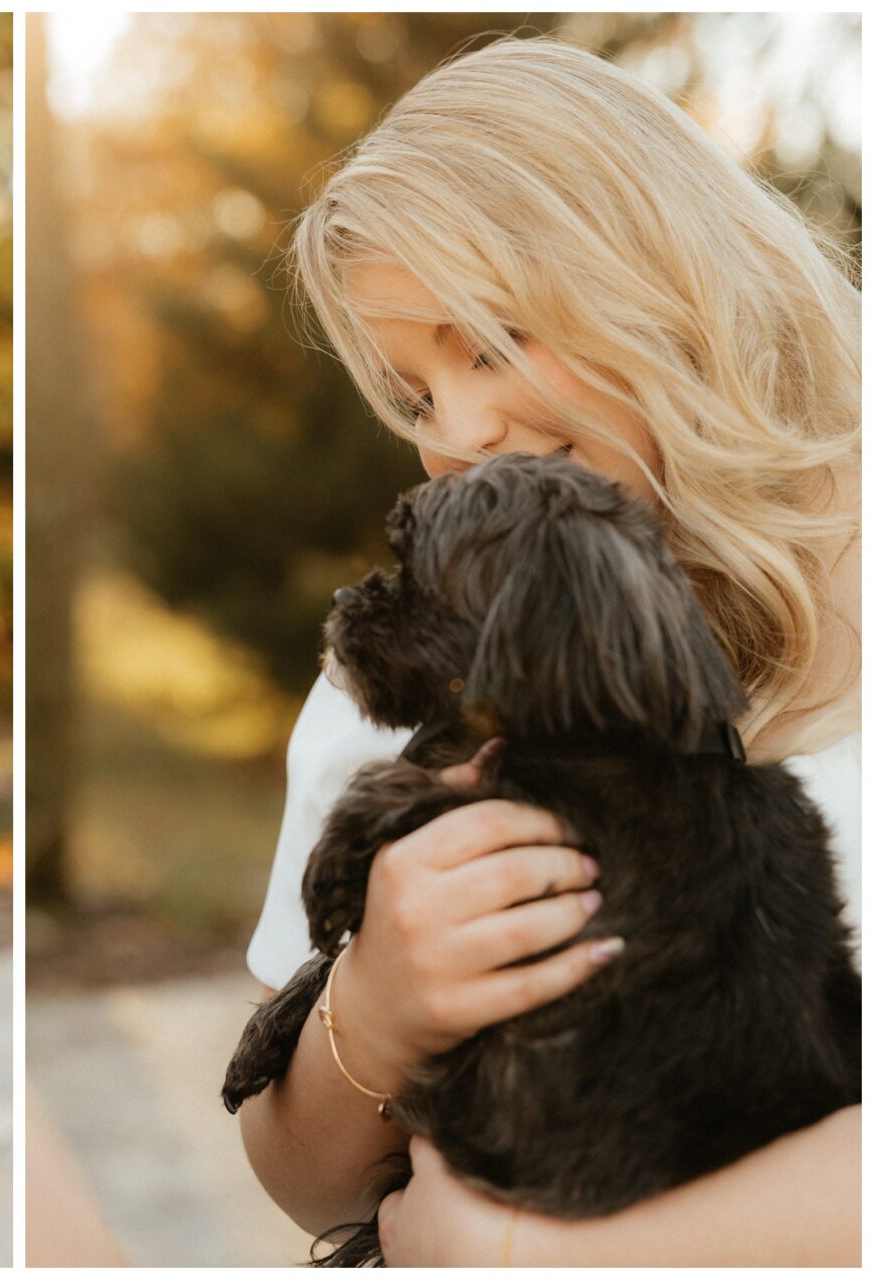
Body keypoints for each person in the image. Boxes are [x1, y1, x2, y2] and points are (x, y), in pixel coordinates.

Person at [236, 37, 860, 1265]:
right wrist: (376, 1005)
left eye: (490, 338)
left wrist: (542, 1253)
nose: (460, 429)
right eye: (413, 394)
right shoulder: (415, 671)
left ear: (658, 275)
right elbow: (304, 1183)